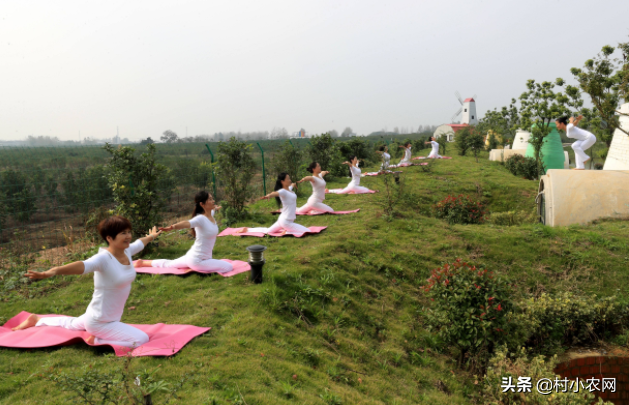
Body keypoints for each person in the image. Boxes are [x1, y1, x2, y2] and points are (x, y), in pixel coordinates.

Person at [11, 216, 161, 348]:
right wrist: (53, 271)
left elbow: (140, 242)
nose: (128, 236)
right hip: (100, 322)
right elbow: (81, 265)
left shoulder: (126, 251)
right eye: (123, 233)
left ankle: (36, 320)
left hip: (97, 314)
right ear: (109, 238)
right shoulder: (103, 259)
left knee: (70, 324)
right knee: (141, 339)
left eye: (129, 231)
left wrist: (152, 236)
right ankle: (97, 340)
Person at [135, 191, 233, 274]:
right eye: (210, 199)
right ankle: (198, 269)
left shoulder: (210, 213)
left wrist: (216, 208)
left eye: (212, 198)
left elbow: (213, 209)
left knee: (169, 264)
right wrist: (172, 227)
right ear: (202, 204)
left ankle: (143, 263)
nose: (213, 201)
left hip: (192, 256)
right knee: (228, 267)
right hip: (199, 260)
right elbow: (187, 223)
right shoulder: (200, 219)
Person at [239, 173, 310, 235]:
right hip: (286, 222)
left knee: (268, 231)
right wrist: (269, 195)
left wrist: (293, 184)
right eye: (288, 179)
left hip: (282, 219)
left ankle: (248, 230)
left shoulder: (289, 189)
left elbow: (291, 186)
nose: (290, 180)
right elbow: (275, 193)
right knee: (307, 231)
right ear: (282, 181)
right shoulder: (283, 191)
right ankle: (287, 232)